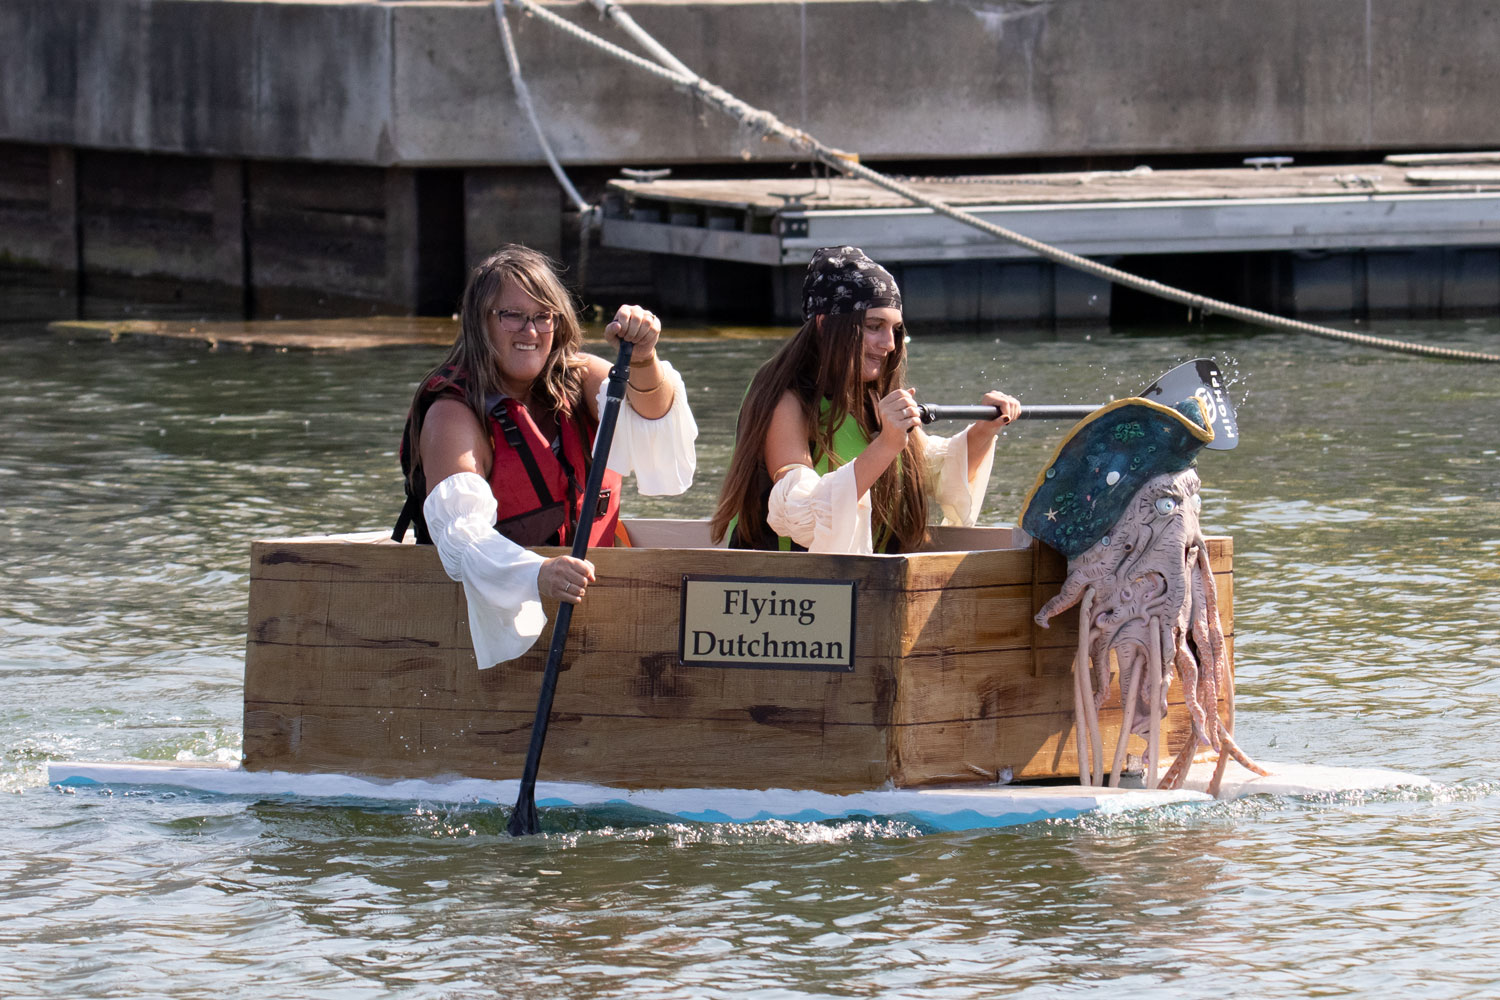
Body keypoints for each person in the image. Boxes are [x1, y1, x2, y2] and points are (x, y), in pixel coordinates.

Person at [396, 245, 697, 666]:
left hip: (595, 608)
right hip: (497, 624)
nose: (531, 331)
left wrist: (645, 358)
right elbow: (462, 537)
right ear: (480, 323)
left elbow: (652, 429)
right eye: (512, 315)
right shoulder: (454, 415)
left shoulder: (580, 377)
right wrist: (536, 573)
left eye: (543, 316)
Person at [709, 245, 1019, 554]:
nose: (888, 344)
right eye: (874, 326)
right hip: (782, 591)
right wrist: (887, 443)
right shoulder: (784, 397)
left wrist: (983, 429)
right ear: (824, 323)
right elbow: (799, 513)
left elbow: (931, 472)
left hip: (865, 581)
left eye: (896, 330)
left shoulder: (871, 392)